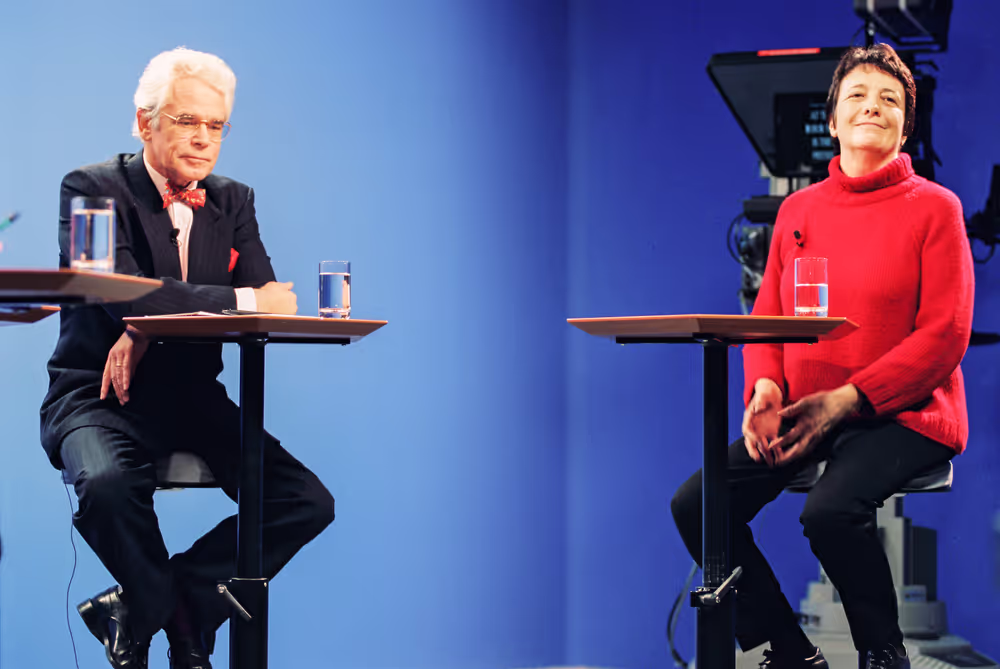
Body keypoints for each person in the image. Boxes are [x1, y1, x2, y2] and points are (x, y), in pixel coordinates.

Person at [671, 43, 973, 669]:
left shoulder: (935, 209)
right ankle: (786, 650)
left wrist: (845, 401)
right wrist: (765, 393)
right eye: (857, 96)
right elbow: (768, 320)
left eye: (890, 99)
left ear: (904, 126)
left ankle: (883, 655)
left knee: (830, 511)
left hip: (904, 415)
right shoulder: (799, 211)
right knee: (699, 503)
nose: (873, 106)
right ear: (832, 120)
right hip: (808, 410)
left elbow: (945, 335)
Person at [40, 48, 335, 669]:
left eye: (216, 125)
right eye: (186, 121)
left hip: (196, 401)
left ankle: (175, 602)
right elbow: (107, 288)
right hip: (99, 396)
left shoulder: (234, 200)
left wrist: (148, 324)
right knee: (107, 485)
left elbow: (272, 310)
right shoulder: (90, 187)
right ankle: (164, 605)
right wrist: (148, 318)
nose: (204, 139)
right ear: (145, 123)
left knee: (305, 500)